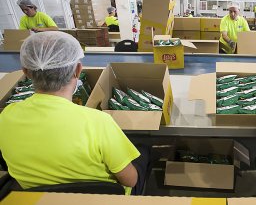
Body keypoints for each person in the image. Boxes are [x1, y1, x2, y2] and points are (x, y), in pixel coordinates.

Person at [0, 32, 149, 195]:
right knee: (144, 150)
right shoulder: (98, 122)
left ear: (26, 72)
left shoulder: (6, 117)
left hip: (38, 202)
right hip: (102, 203)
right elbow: (130, 180)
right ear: (77, 70)